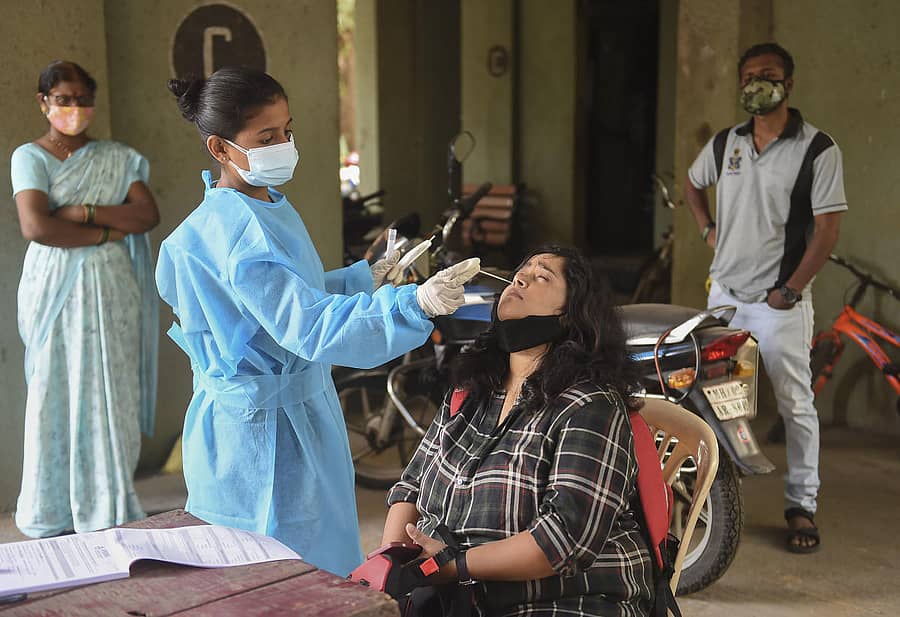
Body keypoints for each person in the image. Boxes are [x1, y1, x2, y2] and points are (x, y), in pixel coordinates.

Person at [158, 66, 479, 577]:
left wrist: (363, 280)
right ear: (220, 148)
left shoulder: (264, 207)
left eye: (287, 131)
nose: (284, 146)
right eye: (266, 138)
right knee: (279, 573)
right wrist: (412, 306)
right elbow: (308, 326)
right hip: (263, 435)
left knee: (314, 558)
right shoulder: (237, 231)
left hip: (293, 410)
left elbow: (286, 300)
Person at [383, 246, 653, 616]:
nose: (520, 278)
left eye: (542, 276)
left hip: (563, 601)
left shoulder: (589, 405)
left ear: (571, 314)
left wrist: (453, 566)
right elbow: (410, 487)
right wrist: (392, 566)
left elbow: (563, 539)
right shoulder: (470, 393)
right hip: (457, 595)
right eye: (520, 271)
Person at [684, 43, 846, 553]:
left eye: (768, 74)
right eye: (749, 76)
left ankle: (801, 505)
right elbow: (692, 185)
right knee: (710, 398)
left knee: (795, 404)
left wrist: (791, 289)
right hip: (725, 299)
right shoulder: (725, 143)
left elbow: (826, 230)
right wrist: (708, 230)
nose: (756, 83)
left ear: (788, 85)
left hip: (779, 306)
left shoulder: (818, 150)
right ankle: (711, 498)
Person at [10, 60, 160, 537]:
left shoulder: (116, 157)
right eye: (63, 99)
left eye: (82, 99)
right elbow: (37, 226)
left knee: (112, 388)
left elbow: (146, 216)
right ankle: (50, 508)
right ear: (44, 102)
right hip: (53, 288)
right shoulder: (29, 157)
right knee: (53, 386)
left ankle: (109, 504)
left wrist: (85, 211)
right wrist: (106, 232)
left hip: (112, 288)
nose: (74, 108)